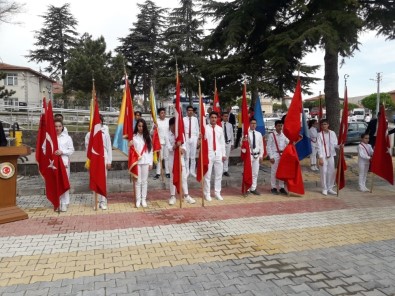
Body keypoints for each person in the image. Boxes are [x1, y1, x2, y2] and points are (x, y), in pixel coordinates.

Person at [85, 115, 112, 210]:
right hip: (94, 159)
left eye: (99, 121)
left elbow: (109, 148)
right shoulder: (89, 134)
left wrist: (109, 161)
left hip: (103, 157)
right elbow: (87, 149)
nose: (98, 123)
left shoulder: (105, 133)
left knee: (103, 180)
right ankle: (95, 201)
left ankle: (103, 201)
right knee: (94, 179)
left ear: (101, 122)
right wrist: (89, 161)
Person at [166, 117, 196, 205]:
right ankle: (172, 196)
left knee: (183, 177)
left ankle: (186, 195)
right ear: (171, 126)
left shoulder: (181, 135)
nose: (176, 128)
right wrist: (175, 145)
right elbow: (169, 148)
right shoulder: (167, 135)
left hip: (180, 159)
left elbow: (185, 147)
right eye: (175, 125)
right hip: (172, 159)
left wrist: (183, 149)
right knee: (172, 178)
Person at [129, 118, 153, 208]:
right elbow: (131, 151)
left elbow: (150, 150)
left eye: (142, 126)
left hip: (146, 161)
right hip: (137, 162)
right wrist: (129, 145)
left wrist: (151, 163)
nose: (140, 128)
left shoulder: (147, 137)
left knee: (144, 181)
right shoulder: (133, 137)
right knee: (137, 182)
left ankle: (144, 199)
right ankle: (138, 199)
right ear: (137, 126)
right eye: (139, 126)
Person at [204, 111, 226, 201]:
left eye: (215, 117)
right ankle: (207, 193)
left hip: (218, 153)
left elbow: (222, 143)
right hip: (209, 153)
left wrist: (223, 154)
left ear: (217, 119)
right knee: (207, 175)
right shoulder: (205, 128)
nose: (213, 119)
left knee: (218, 175)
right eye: (212, 117)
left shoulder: (220, 129)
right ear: (209, 118)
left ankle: (217, 193)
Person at [54, 119, 74, 212]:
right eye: (56, 126)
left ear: (62, 127)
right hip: (53, 164)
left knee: (64, 182)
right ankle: (57, 202)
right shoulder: (50, 138)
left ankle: (65, 203)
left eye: (59, 126)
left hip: (64, 163)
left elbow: (71, 150)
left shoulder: (67, 138)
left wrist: (62, 152)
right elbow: (44, 149)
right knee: (56, 183)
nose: (57, 128)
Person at [267, 120, 289, 195]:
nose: (280, 127)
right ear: (275, 126)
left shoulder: (283, 135)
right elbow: (269, 146)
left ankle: (281, 187)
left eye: (281, 126)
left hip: (282, 155)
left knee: (282, 171)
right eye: (278, 126)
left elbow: (288, 143)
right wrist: (271, 156)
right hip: (275, 155)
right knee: (274, 172)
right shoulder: (271, 135)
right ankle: (273, 187)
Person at [317, 119, 339, 196]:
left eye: (325, 124)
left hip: (331, 155)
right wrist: (320, 157)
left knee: (331, 172)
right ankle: (324, 188)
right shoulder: (319, 134)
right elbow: (319, 146)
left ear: (328, 125)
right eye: (322, 124)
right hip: (323, 155)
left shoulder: (332, 133)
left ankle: (330, 187)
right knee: (323, 172)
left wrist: (340, 146)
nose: (324, 126)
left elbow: (335, 144)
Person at [152, 107, 170, 179]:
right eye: (162, 113)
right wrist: (153, 128)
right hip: (159, 142)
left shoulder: (168, 120)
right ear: (159, 114)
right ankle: (158, 173)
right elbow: (151, 132)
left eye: (164, 113)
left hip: (167, 142)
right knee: (160, 158)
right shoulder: (156, 121)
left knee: (167, 158)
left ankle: (168, 172)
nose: (163, 114)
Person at [247, 118, 264, 195]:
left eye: (254, 123)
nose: (253, 125)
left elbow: (261, 145)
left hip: (257, 155)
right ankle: (247, 188)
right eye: (252, 123)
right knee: (248, 172)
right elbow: (243, 145)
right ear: (249, 124)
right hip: (249, 155)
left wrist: (261, 155)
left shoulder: (259, 134)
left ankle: (253, 188)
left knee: (255, 173)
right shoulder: (246, 134)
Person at [183, 105, 199, 177]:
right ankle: (187, 171)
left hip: (193, 137)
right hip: (186, 137)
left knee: (193, 155)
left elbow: (197, 129)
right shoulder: (183, 119)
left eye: (191, 110)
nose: (190, 112)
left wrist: (198, 139)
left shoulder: (195, 119)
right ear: (187, 111)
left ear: (193, 111)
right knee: (186, 155)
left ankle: (192, 171)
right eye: (189, 110)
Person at [221, 111, 234, 177]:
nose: (226, 117)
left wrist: (232, 143)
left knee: (227, 157)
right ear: (222, 117)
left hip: (228, 142)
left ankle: (225, 170)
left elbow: (231, 134)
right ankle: (220, 169)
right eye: (225, 116)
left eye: (227, 116)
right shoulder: (219, 124)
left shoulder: (230, 125)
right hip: (222, 143)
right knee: (221, 157)